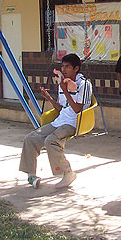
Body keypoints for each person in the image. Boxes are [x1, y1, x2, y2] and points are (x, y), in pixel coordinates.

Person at [19, 53, 93, 189]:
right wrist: (49, 98)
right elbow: (62, 108)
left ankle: (67, 172)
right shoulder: (62, 84)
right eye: (62, 67)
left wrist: (65, 91)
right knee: (30, 138)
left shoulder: (84, 84)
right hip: (60, 121)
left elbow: (77, 109)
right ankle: (31, 174)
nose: (63, 70)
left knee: (50, 141)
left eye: (67, 67)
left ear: (76, 68)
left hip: (74, 122)